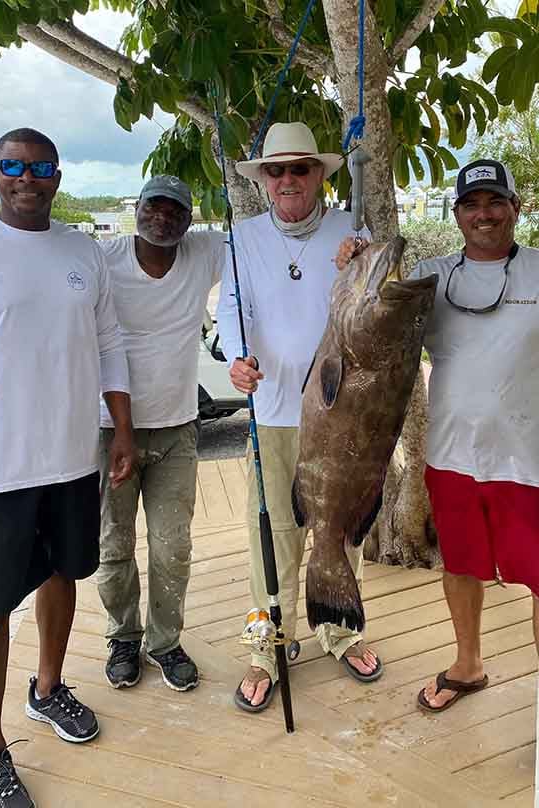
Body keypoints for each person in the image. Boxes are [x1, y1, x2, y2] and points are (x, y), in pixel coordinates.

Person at [0, 128, 133, 808]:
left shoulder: (83, 250)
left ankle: (48, 689)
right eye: (12, 166)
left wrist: (122, 428)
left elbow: (110, 341)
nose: (27, 178)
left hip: (71, 458)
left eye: (40, 166)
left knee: (64, 573)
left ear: (58, 173)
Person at [336, 158, 539, 712]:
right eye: (472, 205)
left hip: (528, 462)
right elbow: (374, 325)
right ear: (456, 214)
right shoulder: (434, 277)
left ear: (515, 209)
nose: (484, 214)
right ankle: (469, 666)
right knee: (462, 566)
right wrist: (356, 270)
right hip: (452, 456)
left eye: (495, 202)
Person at [216, 122, 383, 713]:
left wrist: (359, 264)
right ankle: (268, 645)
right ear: (264, 180)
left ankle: (340, 631)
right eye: (277, 170)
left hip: (341, 418)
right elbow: (233, 314)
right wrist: (238, 360)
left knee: (338, 530)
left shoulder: (350, 227)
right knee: (270, 538)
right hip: (273, 414)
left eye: (301, 169)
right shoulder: (241, 236)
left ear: (319, 175)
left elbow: (376, 298)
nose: (288, 179)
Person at [96, 175, 225, 693]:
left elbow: (266, 235)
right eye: (154, 206)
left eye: (176, 209)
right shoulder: (102, 260)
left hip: (177, 429)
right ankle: (123, 636)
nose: (163, 217)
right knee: (114, 544)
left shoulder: (204, 251)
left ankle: (165, 641)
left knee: (173, 547)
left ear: (189, 219)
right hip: (110, 431)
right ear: (137, 208)